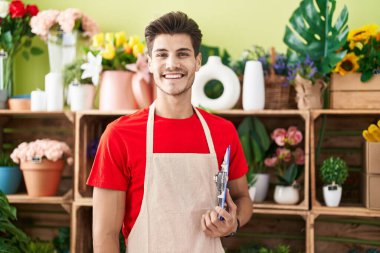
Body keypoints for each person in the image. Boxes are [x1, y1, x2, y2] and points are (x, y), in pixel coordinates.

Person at [87, 11, 252, 253]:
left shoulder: (222, 132)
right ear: (150, 63)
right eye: (162, 55)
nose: (172, 64)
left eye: (182, 54)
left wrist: (233, 223)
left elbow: (243, 199)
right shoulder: (119, 135)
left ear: (197, 61)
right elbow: (105, 235)